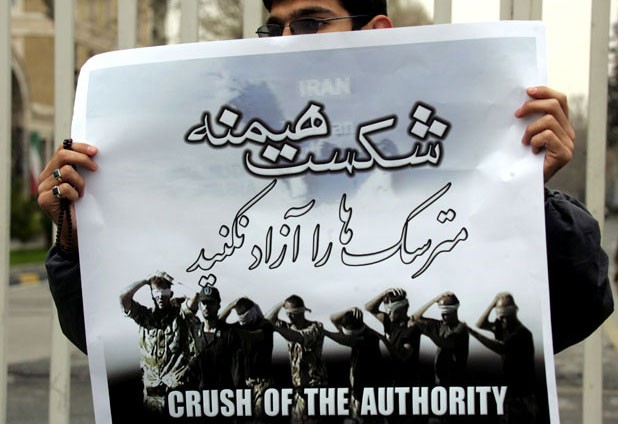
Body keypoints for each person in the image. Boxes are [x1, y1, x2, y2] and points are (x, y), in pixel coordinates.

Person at [39, 0, 612, 359]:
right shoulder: (224, 167)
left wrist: (522, 193)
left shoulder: (447, 164)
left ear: (375, 34)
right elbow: (107, 338)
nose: (288, 42)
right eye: (276, 28)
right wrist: (74, 237)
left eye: (310, 22)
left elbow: (575, 311)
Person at [119, 271, 201, 413]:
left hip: (177, 392)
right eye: (156, 293)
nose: (160, 297)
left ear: (170, 293)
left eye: (164, 292)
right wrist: (145, 281)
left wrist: (172, 280)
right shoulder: (144, 317)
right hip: (152, 394)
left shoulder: (180, 315)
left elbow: (194, 296)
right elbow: (123, 297)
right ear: (152, 295)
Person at [468, 293, 537, 423]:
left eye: (505, 316)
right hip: (510, 390)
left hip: (524, 392)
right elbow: (480, 324)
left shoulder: (522, 333)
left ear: (514, 312)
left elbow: (500, 348)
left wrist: (473, 333)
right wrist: (493, 303)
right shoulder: (503, 327)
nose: (502, 319)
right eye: (500, 315)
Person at [266, 295, 328, 424]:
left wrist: (276, 328)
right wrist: (282, 303)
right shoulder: (288, 327)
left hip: (315, 387)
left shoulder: (316, 327)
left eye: (292, 313)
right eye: (287, 313)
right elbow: (267, 320)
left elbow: (299, 337)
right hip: (298, 388)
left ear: (301, 312)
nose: (289, 316)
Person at [326, 306, 386, 423]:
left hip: (369, 393)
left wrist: (325, 333)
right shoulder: (357, 332)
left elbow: (348, 340)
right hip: (357, 393)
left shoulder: (370, 338)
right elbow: (333, 318)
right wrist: (350, 309)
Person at [220, 297, 274, 419]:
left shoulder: (265, 325)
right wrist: (232, 304)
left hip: (262, 383)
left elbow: (254, 336)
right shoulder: (238, 327)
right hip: (243, 383)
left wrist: (235, 330)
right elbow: (218, 323)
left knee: (260, 418)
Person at [365, 288, 422, 386]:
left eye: (392, 311)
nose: (388, 314)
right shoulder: (389, 321)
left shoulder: (411, 327)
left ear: (402, 309)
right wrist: (384, 293)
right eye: (387, 310)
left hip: (406, 381)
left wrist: (383, 341)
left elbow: (403, 358)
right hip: (390, 379)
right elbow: (369, 308)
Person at [411, 292, 469, 387]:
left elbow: (445, 343)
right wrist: (434, 300)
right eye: (442, 313)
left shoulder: (461, 328)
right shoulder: (440, 325)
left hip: (455, 384)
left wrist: (426, 331)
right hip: (439, 382)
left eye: (446, 314)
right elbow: (415, 318)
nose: (443, 317)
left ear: (454, 312)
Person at [186, 285, 238, 389]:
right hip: (199, 394)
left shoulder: (228, 333)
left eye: (211, 303)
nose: (206, 307)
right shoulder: (194, 332)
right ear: (199, 305)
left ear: (218, 306)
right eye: (203, 303)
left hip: (224, 393)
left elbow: (236, 369)